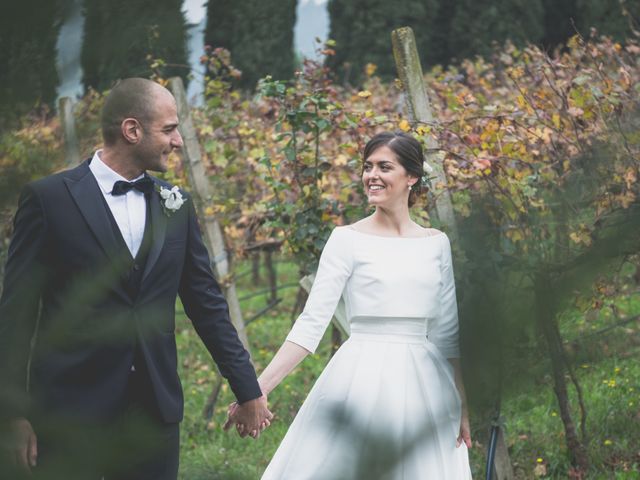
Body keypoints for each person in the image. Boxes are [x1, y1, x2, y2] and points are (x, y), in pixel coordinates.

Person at [0, 78, 272, 480]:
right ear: (132, 130)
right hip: (67, 412)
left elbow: (206, 303)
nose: (178, 140)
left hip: (154, 412)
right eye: (169, 129)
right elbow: (15, 316)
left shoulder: (175, 203)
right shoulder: (48, 199)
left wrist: (247, 388)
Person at [247, 131, 473, 478]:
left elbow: (447, 331)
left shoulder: (436, 243)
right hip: (362, 375)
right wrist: (256, 390)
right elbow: (311, 323)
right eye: (368, 167)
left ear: (411, 176)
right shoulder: (347, 239)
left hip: (426, 382)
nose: (372, 175)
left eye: (385, 167)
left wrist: (462, 404)